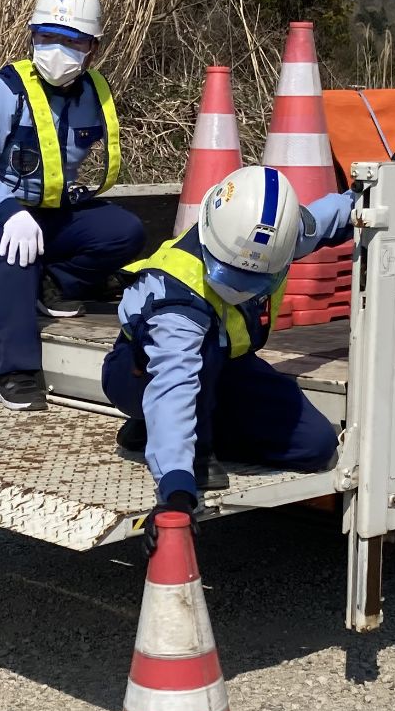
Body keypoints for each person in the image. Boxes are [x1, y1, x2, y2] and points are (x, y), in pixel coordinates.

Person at [102, 164, 354, 554]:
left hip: (223, 364)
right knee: (190, 384)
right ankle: (186, 449)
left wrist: (371, 199)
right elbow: (174, 389)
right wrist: (176, 492)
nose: (239, 286)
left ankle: (167, 432)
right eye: (233, 273)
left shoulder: (272, 241)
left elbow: (321, 220)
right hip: (141, 372)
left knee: (315, 447)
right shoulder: (178, 302)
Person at [0, 0, 145, 410]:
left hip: (48, 212)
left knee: (125, 231)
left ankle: (55, 283)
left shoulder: (94, 95)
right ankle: (14, 372)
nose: (57, 49)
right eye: (47, 36)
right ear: (32, 36)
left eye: (71, 40)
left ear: (92, 47)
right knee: (12, 253)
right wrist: (8, 213)